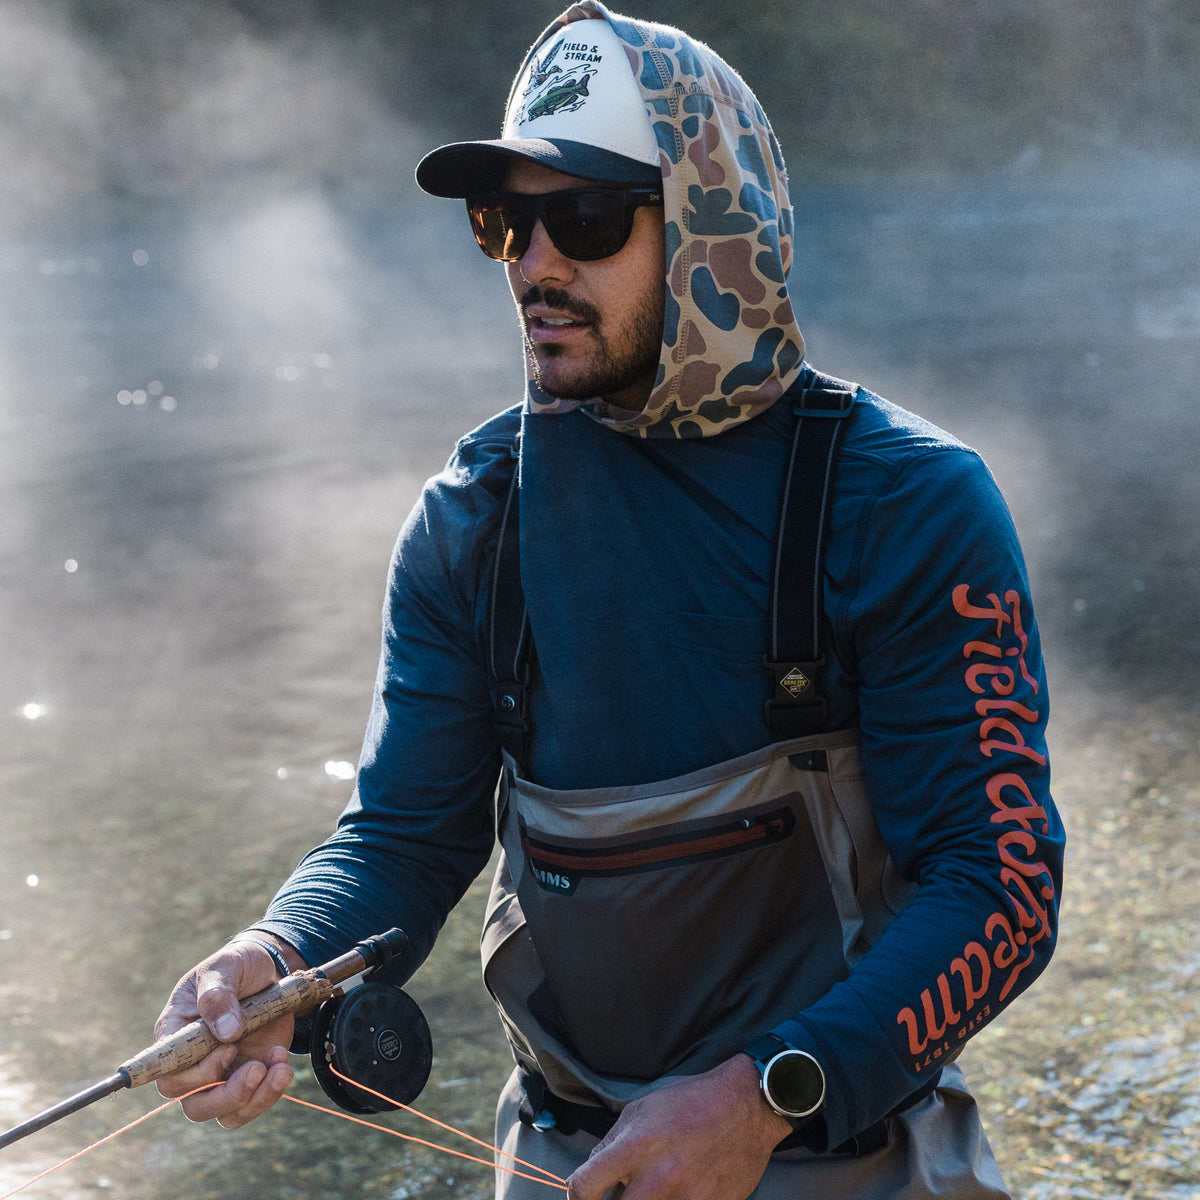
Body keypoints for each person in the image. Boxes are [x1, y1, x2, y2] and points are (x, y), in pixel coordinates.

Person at [155, 4, 1064, 1198]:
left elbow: (1000, 887)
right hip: (561, 1161)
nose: (534, 264)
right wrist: (275, 958)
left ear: (712, 222)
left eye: (583, 218)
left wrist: (765, 1094)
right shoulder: (474, 518)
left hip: (843, 1145)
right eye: (505, 221)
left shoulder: (904, 503)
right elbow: (403, 839)